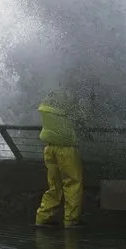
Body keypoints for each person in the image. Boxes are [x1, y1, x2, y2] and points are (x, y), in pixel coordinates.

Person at [35, 89, 88, 229]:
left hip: (49, 148)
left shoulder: (46, 102)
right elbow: (81, 119)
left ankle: (43, 218)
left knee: (54, 185)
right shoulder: (68, 103)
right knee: (72, 183)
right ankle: (71, 220)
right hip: (67, 149)